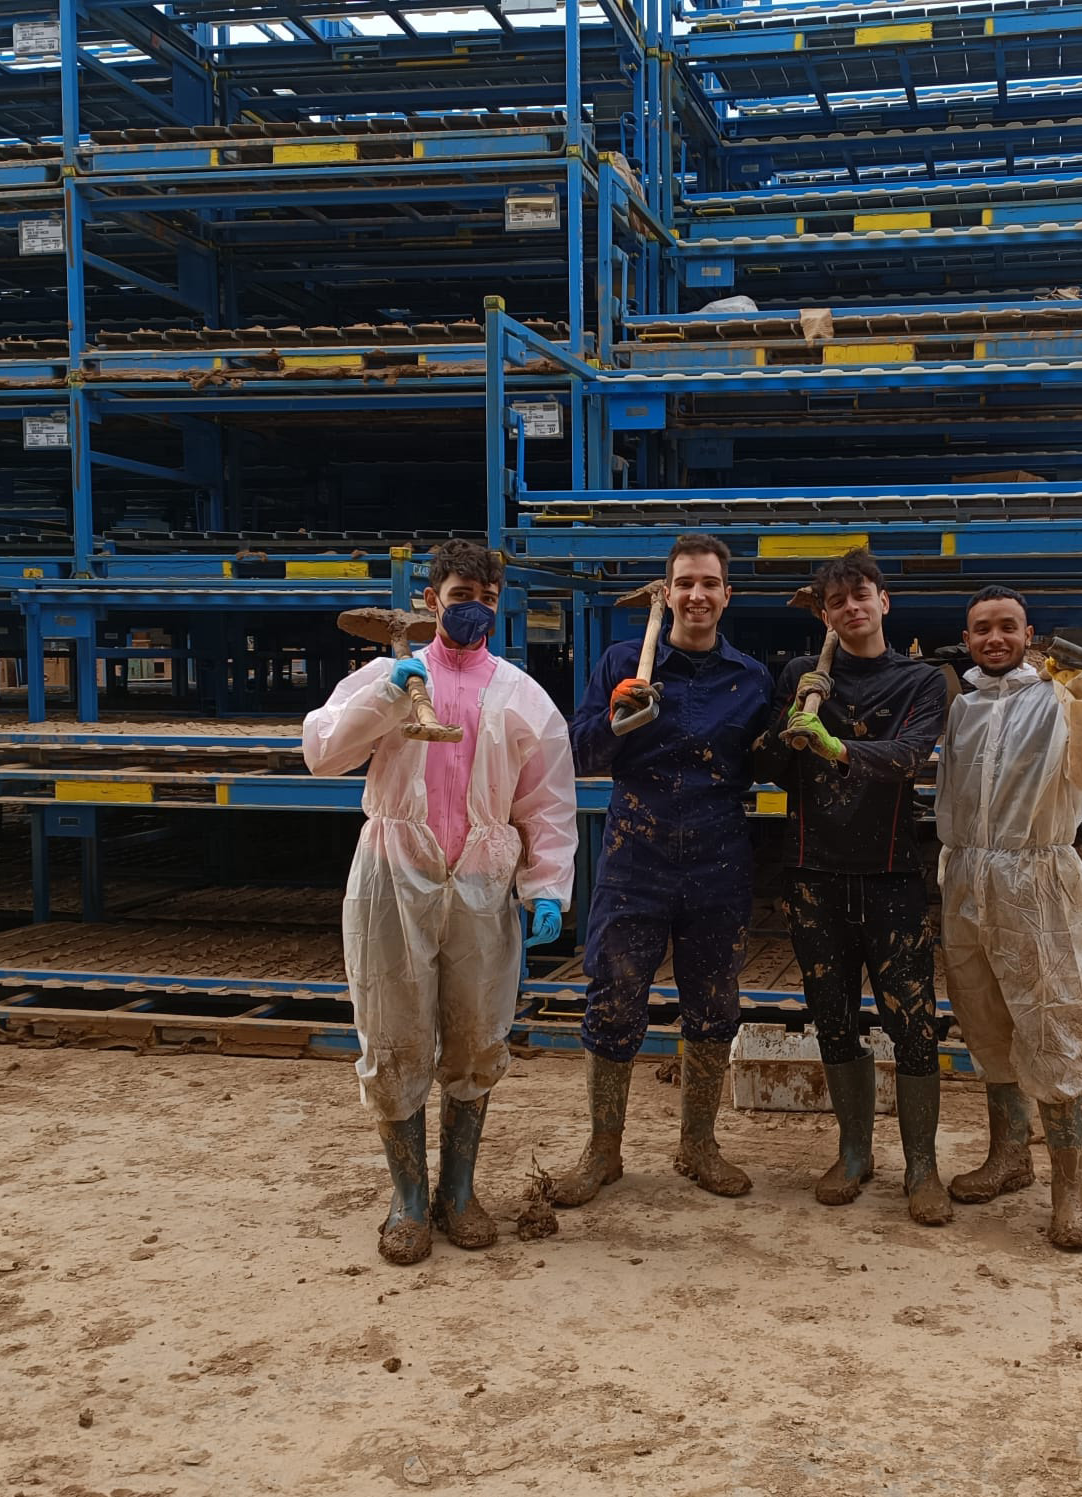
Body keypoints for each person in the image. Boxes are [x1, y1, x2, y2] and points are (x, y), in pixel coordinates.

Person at [303, 541, 577, 1265]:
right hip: (395, 873)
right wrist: (386, 696)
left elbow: (547, 802)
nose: (474, 608)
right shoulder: (388, 676)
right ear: (431, 600)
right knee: (393, 1031)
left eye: (487, 597)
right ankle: (408, 1199)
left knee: (477, 1034)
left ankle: (459, 1190)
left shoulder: (523, 697)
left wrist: (547, 886)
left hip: (483, 880)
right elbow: (322, 751)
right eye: (461, 595)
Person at [553, 533, 774, 1205]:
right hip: (635, 855)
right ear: (668, 592)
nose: (696, 595)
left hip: (718, 859)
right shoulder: (625, 662)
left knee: (714, 1003)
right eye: (684, 583)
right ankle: (602, 1151)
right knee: (614, 999)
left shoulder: (752, 679)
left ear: (727, 595)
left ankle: (698, 1146)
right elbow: (578, 755)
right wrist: (616, 721)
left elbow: (764, 768)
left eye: (708, 583)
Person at [756, 549, 952, 1226]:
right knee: (833, 1019)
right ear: (825, 614)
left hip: (891, 875)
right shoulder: (802, 675)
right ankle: (854, 1151)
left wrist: (836, 746)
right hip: (813, 876)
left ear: (883, 601)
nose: (851, 608)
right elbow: (771, 767)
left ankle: (922, 1166)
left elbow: (908, 758)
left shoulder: (921, 680)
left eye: (860, 595)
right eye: (836, 601)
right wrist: (793, 715)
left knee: (913, 1024)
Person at [934, 585, 1082, 1250]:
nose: (994, 638)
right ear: (967, 639)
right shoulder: (962, 706)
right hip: (966, 876)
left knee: (1051, 1024)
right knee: (985, 1019)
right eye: (981, 628)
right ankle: (1009, 1156)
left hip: (1036, 877)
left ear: (1028, 635)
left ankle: (1071, 1191)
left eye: (1007, 627)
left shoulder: (1057, 697)